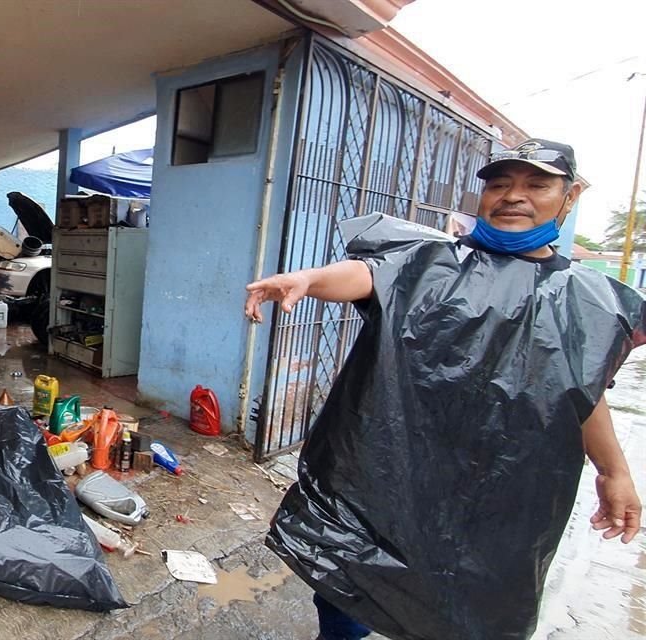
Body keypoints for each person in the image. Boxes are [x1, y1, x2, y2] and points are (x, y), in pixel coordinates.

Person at [245, 139, 644, 640]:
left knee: (469, 614)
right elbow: (368, 274)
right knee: (347, 600)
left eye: (536, 185)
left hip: (498, 500)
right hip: (383, 480)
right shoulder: (430, 258)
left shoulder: (587, 299)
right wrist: (308, 278)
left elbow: (579, 393)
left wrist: (615, 471)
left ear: (571, 196)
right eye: (499, 184)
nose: (512, 196)